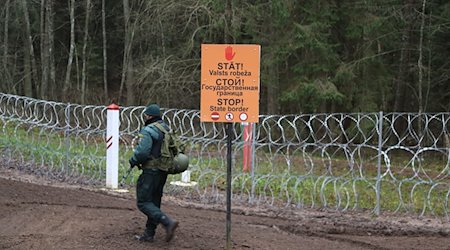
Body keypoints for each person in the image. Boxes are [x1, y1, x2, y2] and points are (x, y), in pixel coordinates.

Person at [129, 103, 178, 243]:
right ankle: (149, 234)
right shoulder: (166, 129)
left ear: (149, 116)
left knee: (144, 202)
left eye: (146, 115)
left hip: (150, 171)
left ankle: (167, 222)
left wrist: (133, 160)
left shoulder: (148, 130)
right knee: (154, 202)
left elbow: (142, 152)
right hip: (163, 170)